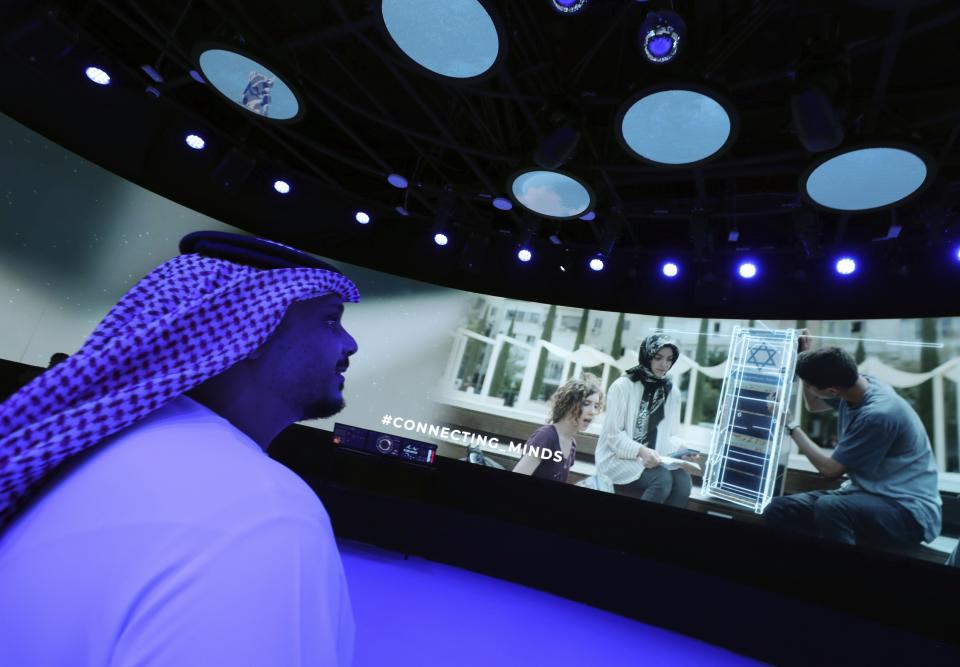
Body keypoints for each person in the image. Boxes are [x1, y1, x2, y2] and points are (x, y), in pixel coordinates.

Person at [0, 231, 360, 666]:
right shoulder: (262, 510)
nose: (349, 344)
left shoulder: (82, 456)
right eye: (330, 319)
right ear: (252, 329)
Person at [763, 335, 942, 551]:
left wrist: (790, 426)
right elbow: (815, 406)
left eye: (809, 386)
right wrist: (804, 361)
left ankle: (845, 578)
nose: (808, 390)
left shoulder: (878, 414)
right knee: (779, 508)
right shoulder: (857, 385)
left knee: (830, 506)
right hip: (863, 496)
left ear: (832, 392)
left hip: (908, 513)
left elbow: (830, 470)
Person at [595, 334, 700, 507]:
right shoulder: (622, 386)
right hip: (617, 458)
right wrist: (641, 451)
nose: (664, 364)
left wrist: (682, 451)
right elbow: (613, 435)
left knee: (683, 481)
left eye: (669, 359)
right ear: (647, 355)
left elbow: (672, 435)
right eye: (658, 357)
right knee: (662, 479)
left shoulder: (672, 392)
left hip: (654, 460)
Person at [513, 374, 603, 483]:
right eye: (586, 403)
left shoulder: (572, 445)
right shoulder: (546, 437)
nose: (592, 412)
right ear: (569, 404)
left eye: (596, 406)